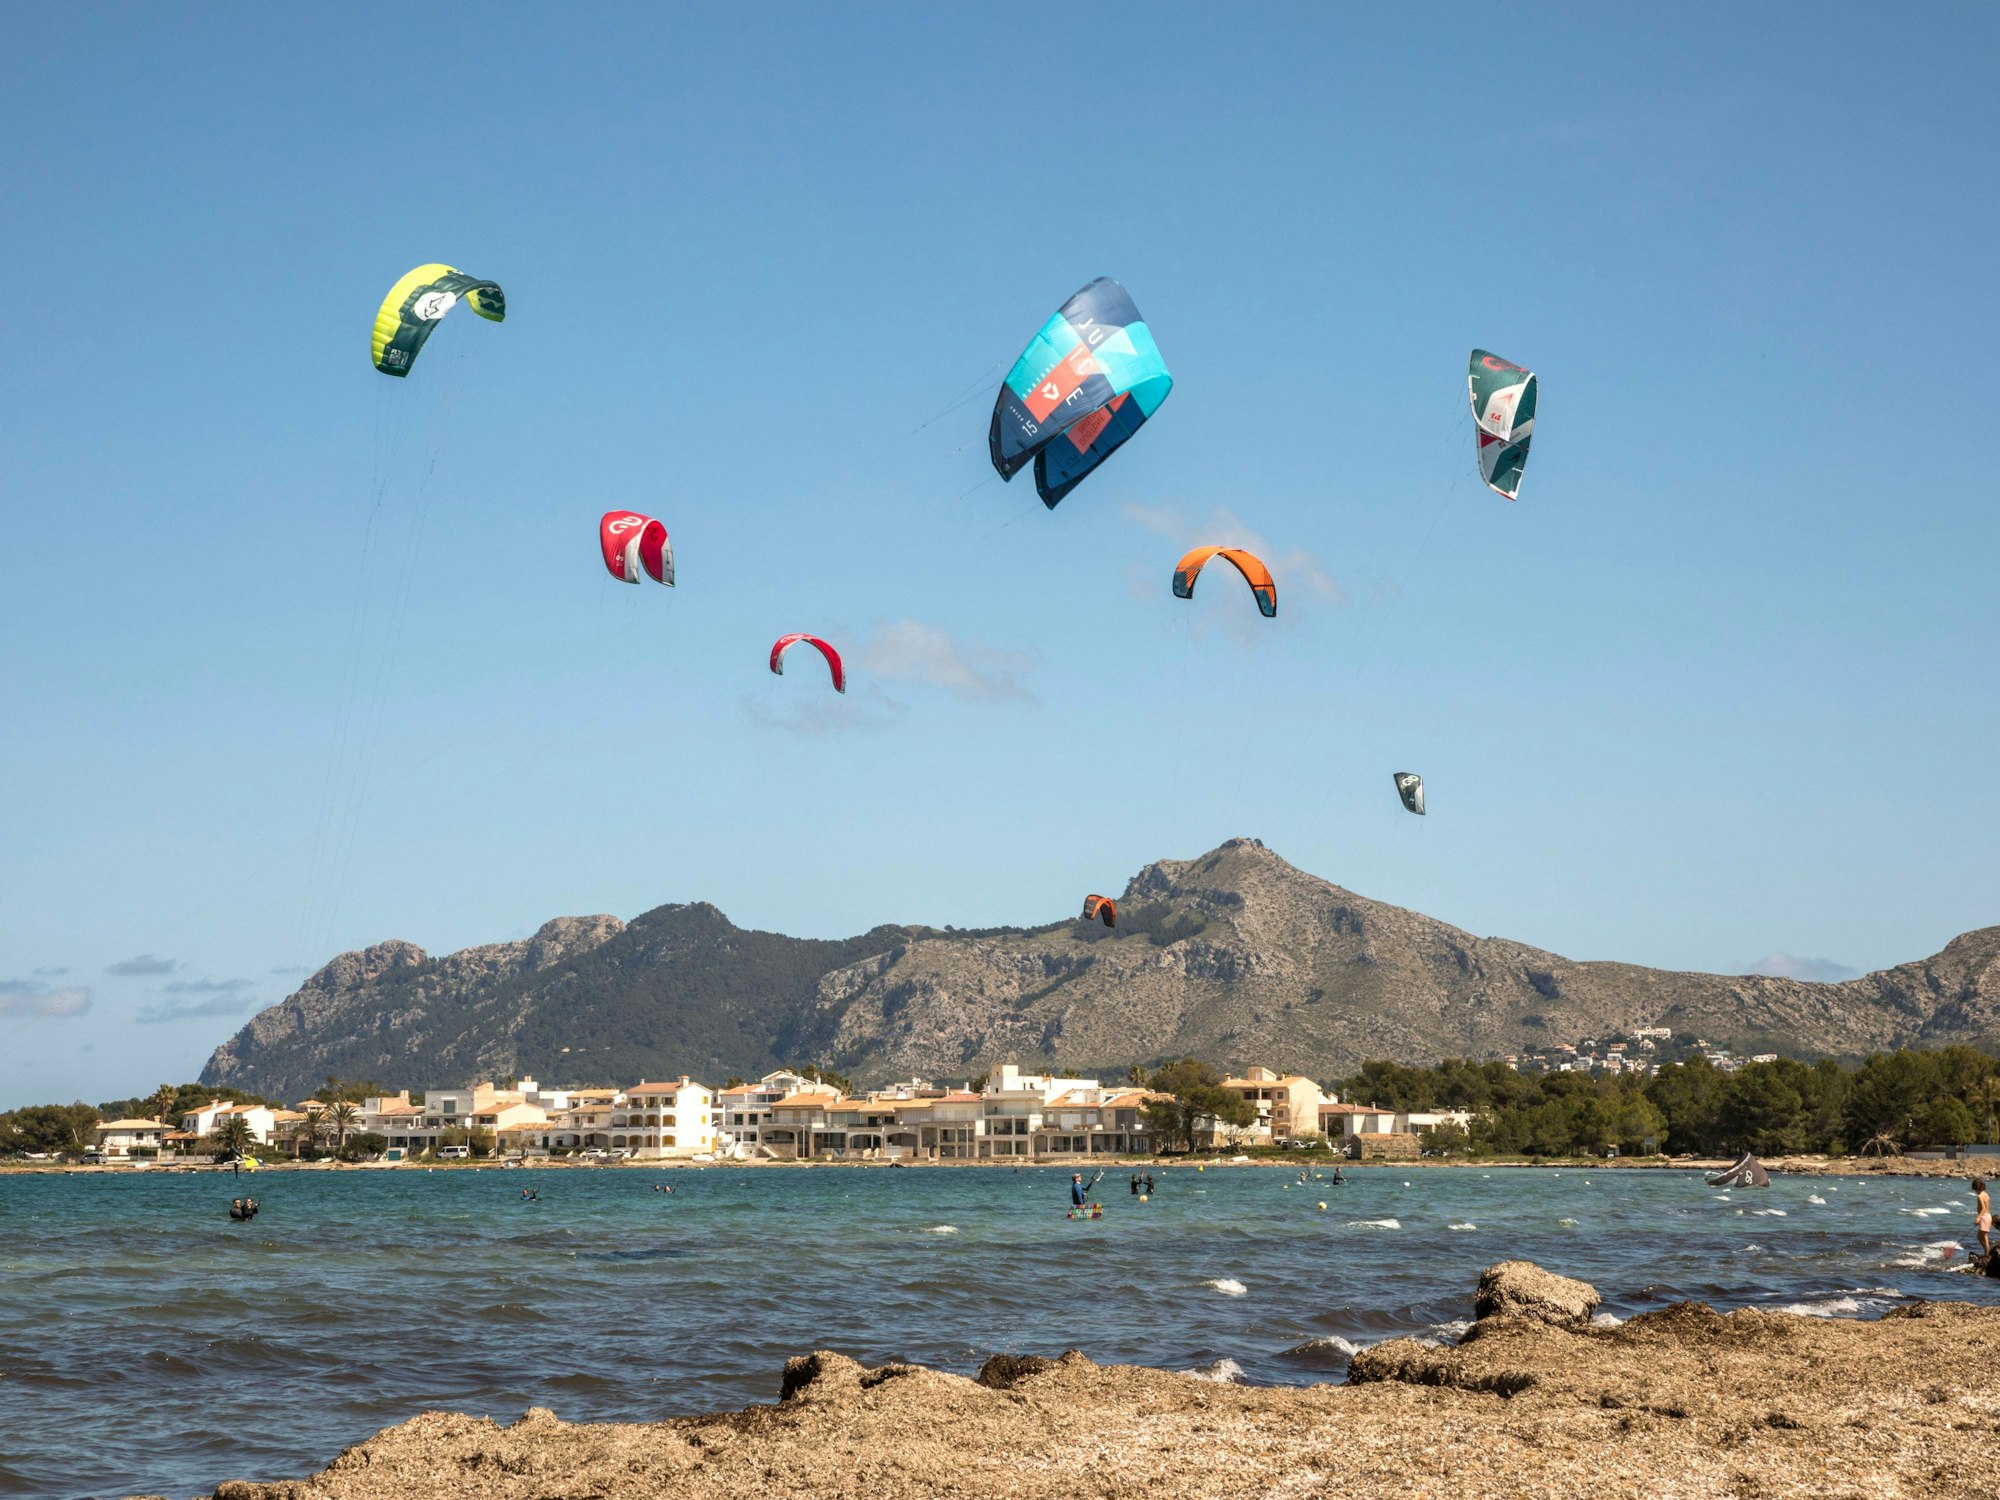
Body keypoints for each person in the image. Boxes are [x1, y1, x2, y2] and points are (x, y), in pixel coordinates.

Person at [1975, 1176, 1992, 1256]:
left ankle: (1986, 1253)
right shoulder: (1986, 1194)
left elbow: (1984, 1208)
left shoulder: (1979, 1196)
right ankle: (1986, 1253)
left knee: (1981, 1237)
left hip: (1984, 1217)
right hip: (1988, 1216)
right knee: (1984, 1236)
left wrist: (1978, 1218)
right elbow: (1987, 1204)